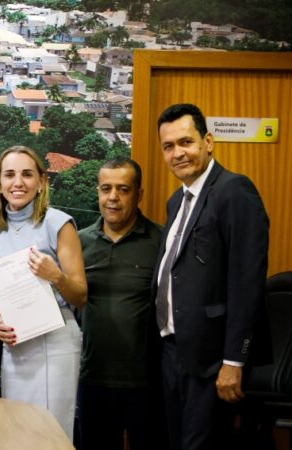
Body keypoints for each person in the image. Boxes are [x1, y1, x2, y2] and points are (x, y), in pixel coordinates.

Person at [154, 103, 270, 450]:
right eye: (169, 146)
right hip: (174, 351)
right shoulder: (177, 200)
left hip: (211, 359)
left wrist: (235, 360)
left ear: (208, 142)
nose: (178, 153)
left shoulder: (234, 191)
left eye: (186, 142)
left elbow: (247, 282)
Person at [0, 146, 87, 438]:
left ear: (42, 182)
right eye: (9, 175)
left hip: (56, 340)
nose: (18, 182)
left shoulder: (58, 224)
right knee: (15, 428)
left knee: (51, 431)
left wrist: (56, 276)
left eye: (27, 174)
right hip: (16, 342)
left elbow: (80, 296)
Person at [77, 158, 165, 450]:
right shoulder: (79, 243)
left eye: (123, 189)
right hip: (93, 378)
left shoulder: (161, 242)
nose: (112, 197)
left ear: (139, 194)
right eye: (106, 188)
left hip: (148, 382)